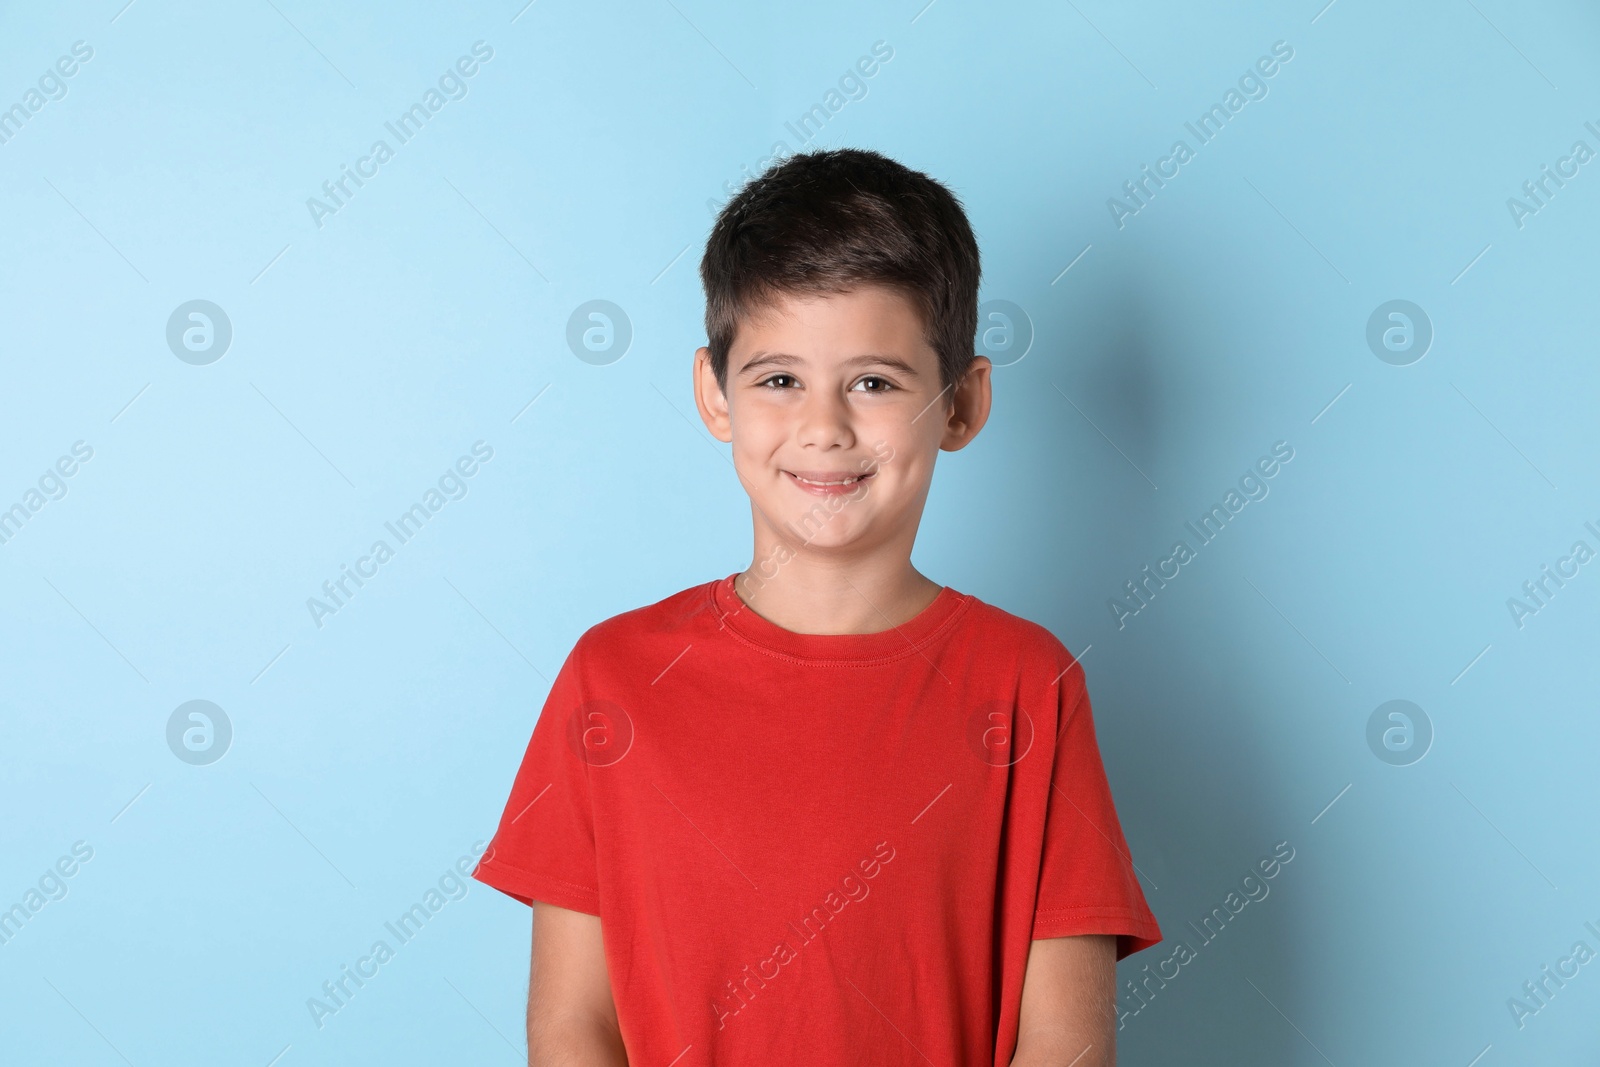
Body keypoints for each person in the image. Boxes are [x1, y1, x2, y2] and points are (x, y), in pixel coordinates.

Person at [472, 146, 1161, 1066]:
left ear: (961, 405)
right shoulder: (615, 677)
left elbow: (1065, 1044)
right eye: (779, 378)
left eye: (874, 382)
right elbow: (570, 1027)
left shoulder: (1029, 683)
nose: (825, 425)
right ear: (715, 395)